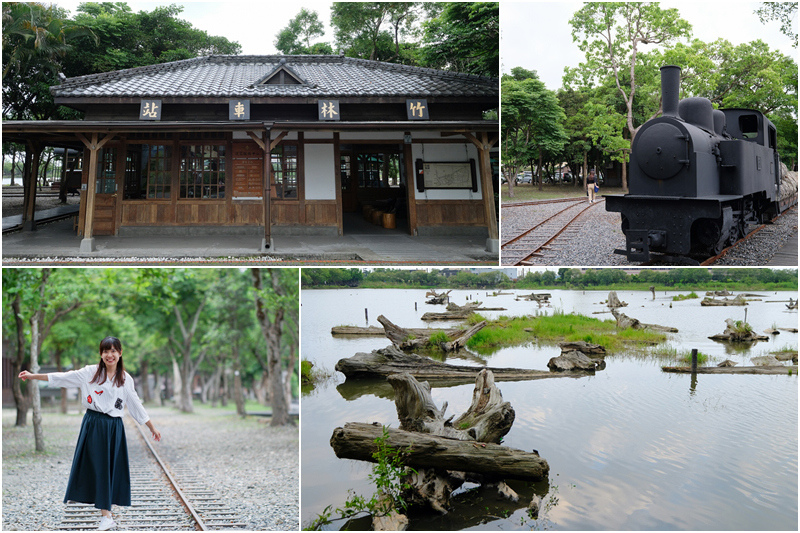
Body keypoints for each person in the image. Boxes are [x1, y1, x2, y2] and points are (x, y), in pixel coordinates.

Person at [18, 336, 161, 531]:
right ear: (101, 354)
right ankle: (106, 515)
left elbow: (135, 404)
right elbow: (63, 377)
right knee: (98, 468)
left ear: (120, 353)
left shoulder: (126, 379)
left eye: (113, 351)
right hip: (93, 424)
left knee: (108, 469)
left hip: (113, 428)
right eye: (105, 351)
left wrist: (151, 427)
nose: (109, 355)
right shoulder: (89, 373)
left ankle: (106, 515)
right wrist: (34, 376)